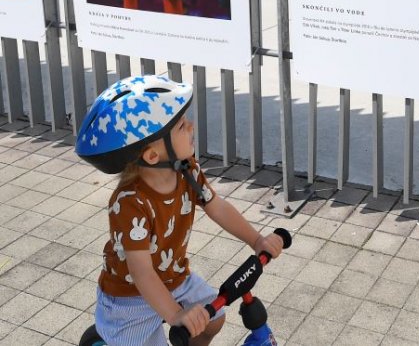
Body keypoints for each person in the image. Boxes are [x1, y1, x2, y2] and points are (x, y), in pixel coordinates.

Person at [74, 75, 284, 346]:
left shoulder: (187, 172)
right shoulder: (129, 203)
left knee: (214, 319)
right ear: (152, 156)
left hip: (175, 278)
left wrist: (257, 240)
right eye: (182, 126)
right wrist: (175, 314)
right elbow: (141, 272)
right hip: (130, 297)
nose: (191, 126)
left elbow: (217, 207)